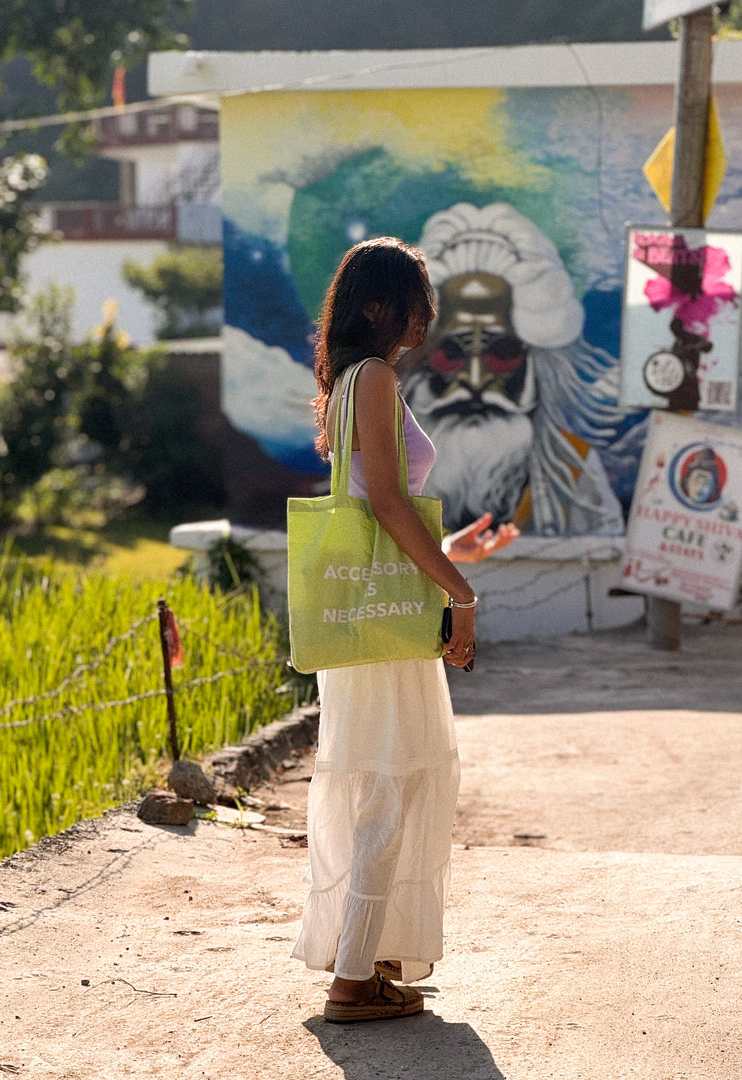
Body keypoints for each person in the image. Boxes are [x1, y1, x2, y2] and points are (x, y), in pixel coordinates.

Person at [291, 236, 484, 1024]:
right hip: (384, 626)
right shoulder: (372, 376)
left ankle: (363, 964)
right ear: (380, 305)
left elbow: (380, 504)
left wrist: (450, 563)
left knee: (381, 782)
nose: (424, 316)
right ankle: (350, 978)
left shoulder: (349, 381)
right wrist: (460, 595)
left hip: (370, 615)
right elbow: (390, 509)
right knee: (390, 784)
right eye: (415, 298)